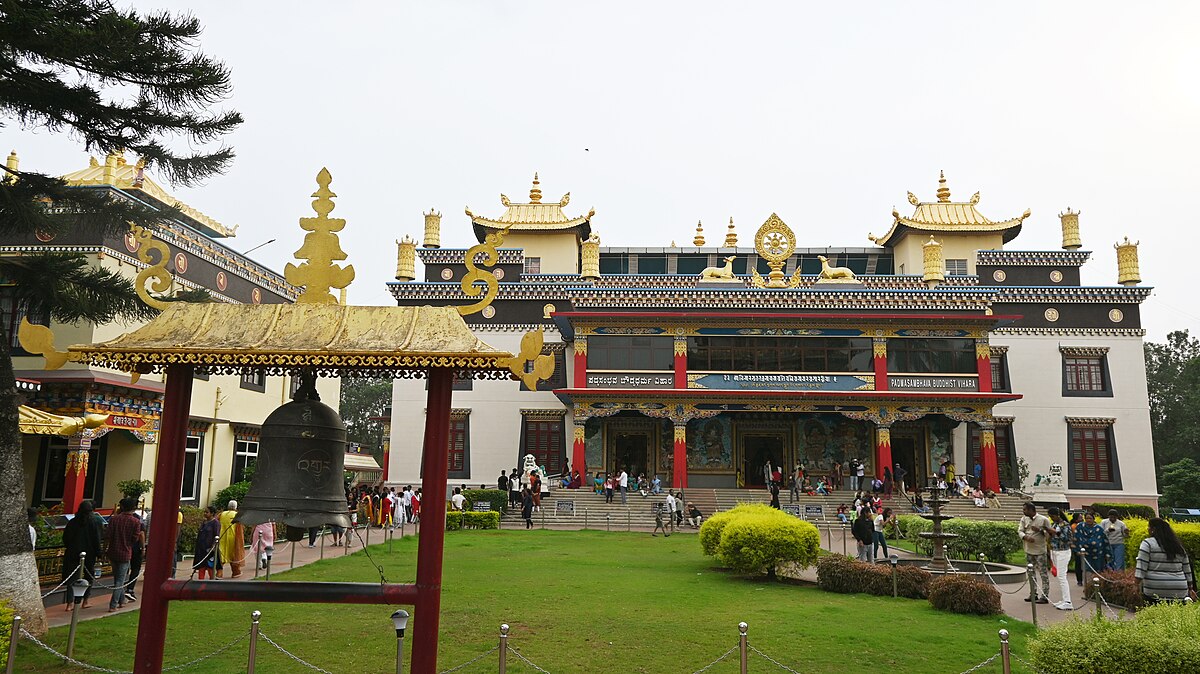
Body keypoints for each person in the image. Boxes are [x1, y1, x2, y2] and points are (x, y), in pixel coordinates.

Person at [1135, 517, 1198, 603]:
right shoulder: (1178, 546)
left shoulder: (1147, 544)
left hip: (1154, 589)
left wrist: (1136, 584)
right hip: (1179, 589)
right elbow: (1187, 570)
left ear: (1153, 529)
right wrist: (1190, 587)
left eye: (1149, 527)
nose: (1148, 529)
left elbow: (1141, 567)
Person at [61, 499, 102, 610]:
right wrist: (99, 552)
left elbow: (66, 538)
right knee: (89, 577)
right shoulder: (93, 523)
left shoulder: (72, 522)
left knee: (72, 579)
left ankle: (70, 603)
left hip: (73, 552)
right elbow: (96, 539)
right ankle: (85, 600)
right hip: (89, 553)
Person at [105, 497, 143, 612]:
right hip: (125, 552)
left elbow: (108, 536)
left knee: (118, 578)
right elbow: (135, 538)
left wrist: (105, 549)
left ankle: (121, 600)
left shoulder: (114, 519)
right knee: (120, 580)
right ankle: (113, 604)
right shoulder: (136, 522)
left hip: (113, 551)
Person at [1018, 502, 1051, 604]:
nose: (1023, 511)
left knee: (1043, 573)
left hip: (1040, 551)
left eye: (1025, 510)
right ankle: (1033, 593)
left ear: (1032, 510)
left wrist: (1040, 530)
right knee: (1031, 572)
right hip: (1028, 550)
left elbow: (1049, 534)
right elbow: (1020, 531)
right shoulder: (1024, 519)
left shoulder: (1043, 519)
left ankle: (1045, 596)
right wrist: (1025, 537)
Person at [1046, 507, 1075, 610]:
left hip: (1063, 552)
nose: (1052, 518)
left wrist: (1054, 532)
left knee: (1062, 577)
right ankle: (1064, 599)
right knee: (1059, 576)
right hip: (1055, 551)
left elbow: (1067, 538)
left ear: (1058, 515)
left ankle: (1068, 602)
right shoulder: (1054, 524)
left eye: (1053, 516)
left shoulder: (1065, 525)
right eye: (1050, 517)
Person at [1074, 511, 1112, 578]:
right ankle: (1088, 586)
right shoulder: (1080, 527)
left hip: (1098, 554)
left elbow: (1104, 541)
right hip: (1085, 554)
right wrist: (1077, 550)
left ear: (1093, 519)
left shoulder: (1099, 529)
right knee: (1087, 571)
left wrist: (1107, 554)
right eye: (1087, 518)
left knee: (1098, 572)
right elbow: (1076, 538)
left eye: (1090, 518)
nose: (1088, 520)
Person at [217, 500, 245, 576]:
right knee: (234, 555)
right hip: (233, 538)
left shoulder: (221, 514)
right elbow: (241, 529)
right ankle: (236, 572)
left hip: (221, 537)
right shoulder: (237, 515)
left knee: (221, 555)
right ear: (236, 507)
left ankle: (219, 573)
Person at [194, 506, 220, 580]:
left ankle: (212, 583)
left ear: (212, 513)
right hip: (201, 548)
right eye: (204, 512)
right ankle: (200, 582)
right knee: (201, 566)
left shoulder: (215, 523)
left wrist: (213, 547)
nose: (205, 514)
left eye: (207, 512)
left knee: (210, 567)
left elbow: (217, 535)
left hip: (210, 549)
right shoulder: (204, 522)